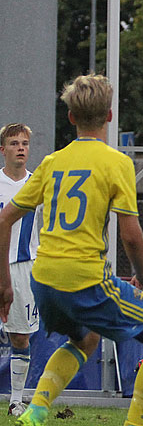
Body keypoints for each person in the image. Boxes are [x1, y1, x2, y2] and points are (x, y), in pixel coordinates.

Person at [0, 74, 143, 426]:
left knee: (86, 339)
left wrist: (4, 283)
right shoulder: (116, 163)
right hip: (85, 278)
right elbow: (130, 234)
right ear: (110, 116)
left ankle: (36, 410)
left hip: (43, 279)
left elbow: (4, 219)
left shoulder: (52, 163)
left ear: (70, 118)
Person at [0, 124, 42, 417]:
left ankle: (16, 400)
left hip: (24, 267)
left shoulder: (38, 185)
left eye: (24, 143)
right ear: (3, 150)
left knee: (20, 337)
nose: (20, 148)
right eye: (14, 143)